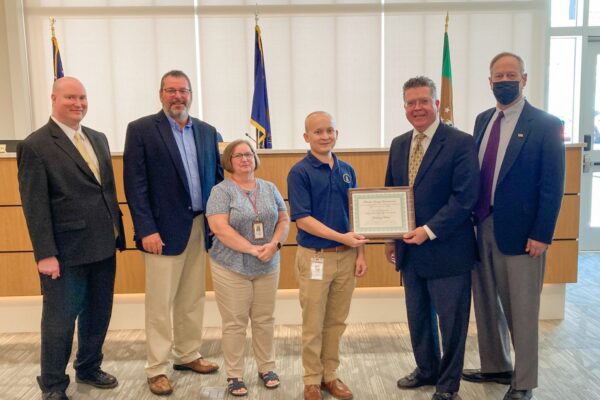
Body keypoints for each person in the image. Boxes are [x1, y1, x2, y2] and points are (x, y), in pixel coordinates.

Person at [462, 52, 565, 400]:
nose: (504, 81)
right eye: (497, 76)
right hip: (481, 226)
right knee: (486, 303)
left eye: (511, 75)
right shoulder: (482, 121)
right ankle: (495, 365)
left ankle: (523, 382)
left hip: (523, 235)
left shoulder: (546, 124)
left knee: (522, 310)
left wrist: (542, 233)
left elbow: (552, 185)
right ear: (488, 81)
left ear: (524, 78)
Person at [17, 77, 125, 400]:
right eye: (70, 98)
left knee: (98, 314)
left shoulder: (98, 138)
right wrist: (45, 254)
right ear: (53, 99)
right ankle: (52, 384)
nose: (78, 103)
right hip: (65, 253)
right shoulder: (35, 145)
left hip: (104, 245)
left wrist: (116, 231)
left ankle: (89, 367)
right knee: (59, 323)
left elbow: (105, 190)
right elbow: (34, 205)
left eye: (82, 97)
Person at [123, 70, 223, 395]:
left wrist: (219, 223)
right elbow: (135, 186)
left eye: (183, 91)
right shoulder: (141, 130)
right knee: (160, 303)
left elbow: (218, 180)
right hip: (161, 232)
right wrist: (145, 229)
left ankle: (187, 354)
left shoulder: (208, 132)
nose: (177, 96)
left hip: (200, 226)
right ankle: (156, 368)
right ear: (160, 94)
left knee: (192, 297)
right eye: (171, 91)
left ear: (191, 94)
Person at [385, 76, 479, 400]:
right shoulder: (398, 144)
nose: (418, 108)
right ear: (405, 108)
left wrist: (428, 230)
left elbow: (465, 197)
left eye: (424, 101)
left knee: (452, 324)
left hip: (448, 250)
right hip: (410, 252)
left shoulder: (461, 142)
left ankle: (448, 384)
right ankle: (426, 369)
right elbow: (391, 195)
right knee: (418, 317)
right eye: (411, 103)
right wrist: (388, 237)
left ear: (436, 104)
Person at [287, 111, 369, 400]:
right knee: (313, 323)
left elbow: (356, 214)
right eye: (318, 132)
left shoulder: (347, 169)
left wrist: (359, 253)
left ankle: (329, 375)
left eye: (329, 131)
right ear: (306, 136)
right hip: (315, 258)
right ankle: (311, 379)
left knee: (336, 322)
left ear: (337, 134)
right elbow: (303, 219)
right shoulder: (299, 172)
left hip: (347, 258)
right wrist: (341, 237)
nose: (325, 136)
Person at [206, 139, 290, 397]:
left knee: (265, 319)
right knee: (235, 322)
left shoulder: (269, 187)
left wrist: (274, 245)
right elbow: (219, 228)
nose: (245, 159)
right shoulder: (221, 191)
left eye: (249, 154)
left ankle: (267, 367)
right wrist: (253, 249)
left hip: (268, 263)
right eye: (238, 155)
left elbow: (284, 218)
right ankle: (234, 374)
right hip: (231, 265)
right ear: (228, 162)